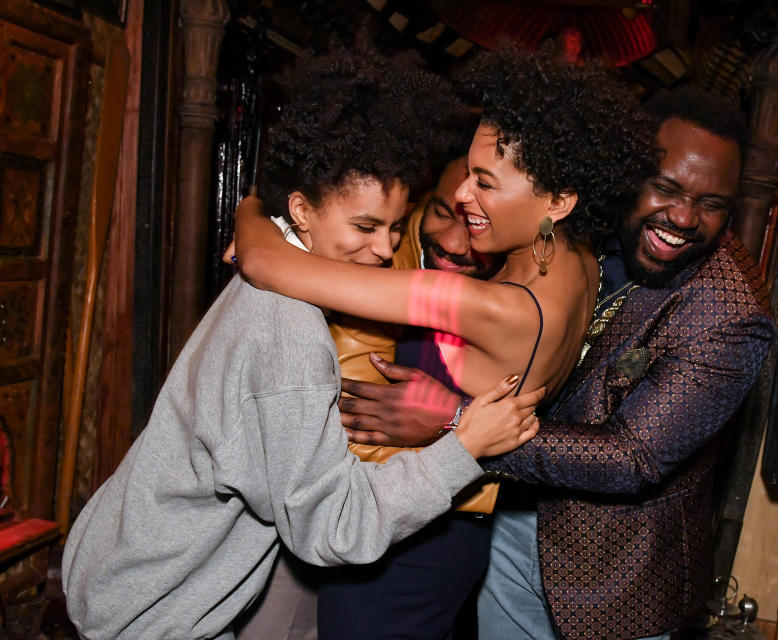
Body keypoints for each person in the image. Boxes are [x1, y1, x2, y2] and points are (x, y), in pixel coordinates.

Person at [60, 49, 543, 640]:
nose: (384, 250)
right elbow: (333, 529)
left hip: (129, 575)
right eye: (364, 227)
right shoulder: (289, 330)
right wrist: (463, 445)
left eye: (394, 228)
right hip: (156, 612)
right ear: (301, 212)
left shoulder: (271, 268)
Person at [231, 45, 656, 640]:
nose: (462, 195)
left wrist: (257, 208)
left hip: (405, 549)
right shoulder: (579, 262)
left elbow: (264, 262)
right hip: (449, 530)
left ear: (558, 199)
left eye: (485, 183)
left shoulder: (490, 306)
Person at [343, 86, 777, 640]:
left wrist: (459, 421)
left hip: (615, 582)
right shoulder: (578, 222)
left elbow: (632, 458)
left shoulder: (730, 313)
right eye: (664, 188)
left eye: (712, 203)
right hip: (508, 526)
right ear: (626, 173)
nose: (684, 216)